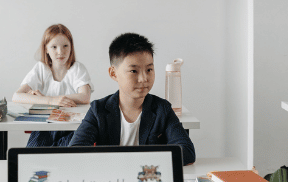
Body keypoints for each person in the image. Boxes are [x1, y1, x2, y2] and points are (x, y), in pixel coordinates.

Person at [69, 32, 195, 165]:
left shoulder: (162, 109)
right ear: (113, 73)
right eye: (134, 71)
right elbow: (75, 152)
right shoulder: (98, 110)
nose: (144, 78)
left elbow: (187, 152)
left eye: (149, 70)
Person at [12, 24, 93, 147]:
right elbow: (17, 96)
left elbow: (85, 96)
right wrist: (50, 100)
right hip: (45, 127)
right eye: (54, 47)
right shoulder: (41, 68)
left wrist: (46, 99)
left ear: (71, 47)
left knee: (65, 157)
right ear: (46, 49)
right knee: (33, 156)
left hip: (72, 127)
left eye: (65, 46)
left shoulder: (77, 68)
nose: (60, 52)